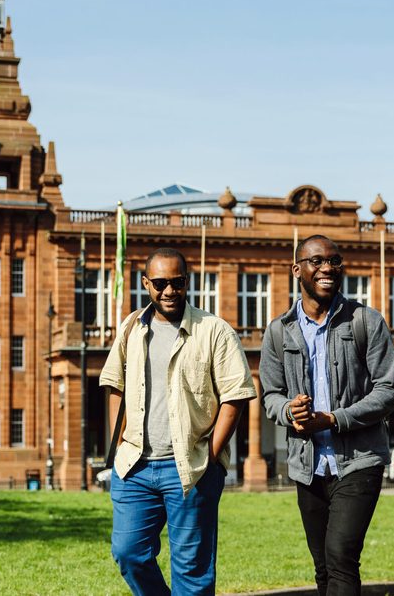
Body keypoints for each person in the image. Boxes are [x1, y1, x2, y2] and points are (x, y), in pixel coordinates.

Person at [100, 247, 256, 596]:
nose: (169, 290)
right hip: (135, 467)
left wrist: (211, 455)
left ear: (187, 282)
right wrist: (121, 441)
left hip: (191, 467)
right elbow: (114, 385)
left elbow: (236, 396)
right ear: (146, 284)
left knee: (192, 569)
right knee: (128, 553)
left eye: (177, 282)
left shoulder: (215, 330)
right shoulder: (131, 328)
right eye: (160, 283)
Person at [259, 234, 394, 596]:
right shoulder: (278, 331)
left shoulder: (365, 321)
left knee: (341, 556)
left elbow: (390, 390)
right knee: (323, 565)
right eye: (317, 261)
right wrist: (289, 412)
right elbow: (270, 396)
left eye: (335, 261)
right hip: (307, 466)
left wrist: (335, 419)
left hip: (359, 461)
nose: (327, 268)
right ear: (297, 269)